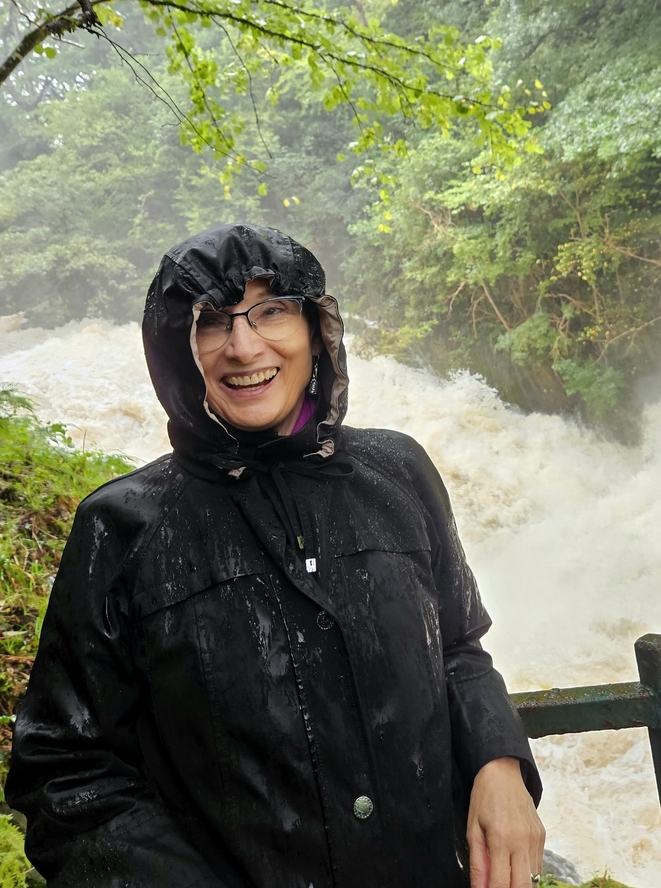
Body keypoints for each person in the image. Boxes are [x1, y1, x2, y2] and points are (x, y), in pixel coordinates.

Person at [6, 223, 544, 888]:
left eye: (272, 311)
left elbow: (459, 646)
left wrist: (500, 762)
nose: (243, 345)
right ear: (177, 349)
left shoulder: (399, 473)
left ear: (317, 328)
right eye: (212, 321)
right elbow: (65, 771)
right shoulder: (123, 529)